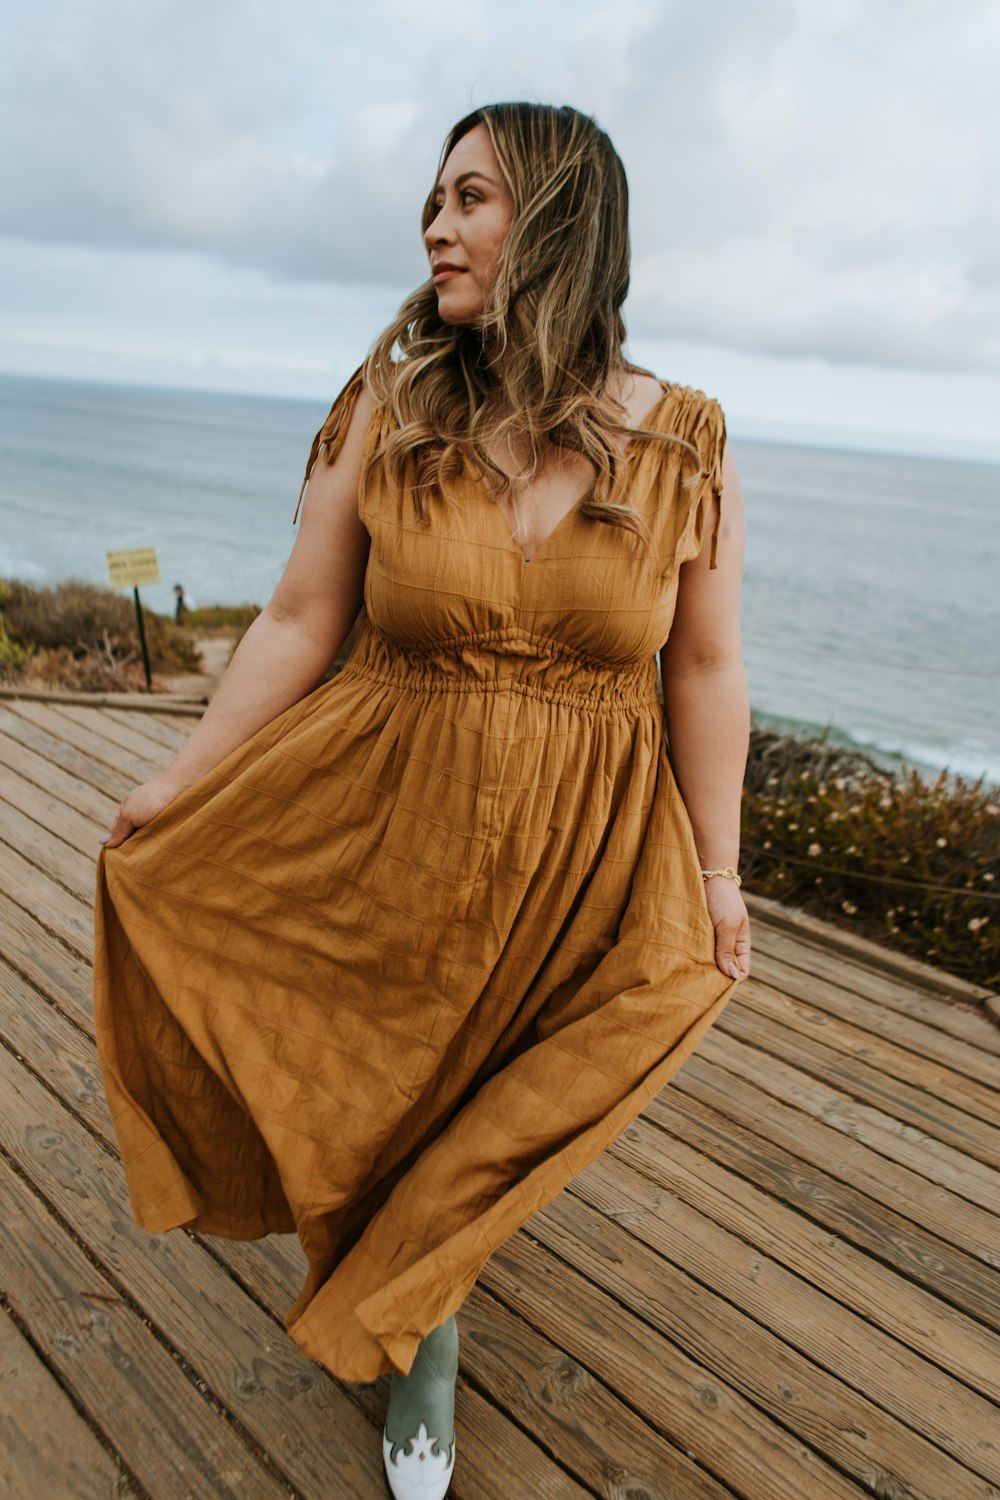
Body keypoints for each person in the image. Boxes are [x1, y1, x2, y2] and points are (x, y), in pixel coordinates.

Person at [94, 101, 751, 1500]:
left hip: (588, 849)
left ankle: (420, 1306)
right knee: (383, 1091)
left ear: (560, 217)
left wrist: (721, 870)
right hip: (382, 810)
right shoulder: (389, 407)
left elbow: (703, 666)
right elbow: (294, 618)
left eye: (470, 199)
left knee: (506, 1098)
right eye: (433, 205)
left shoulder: (687, 439)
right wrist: (183, 776)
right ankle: (423, 1320)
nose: (436, 229)